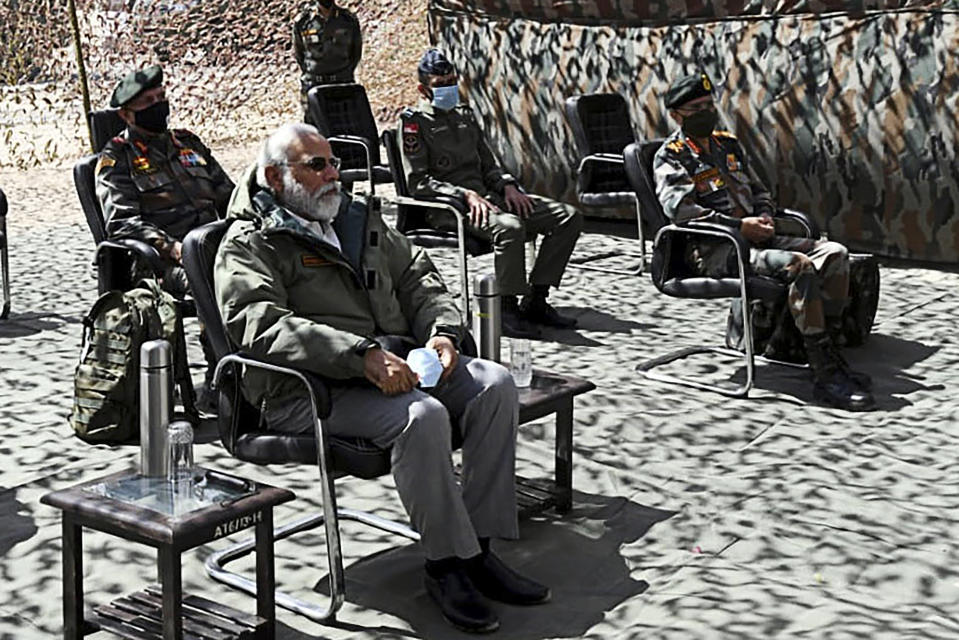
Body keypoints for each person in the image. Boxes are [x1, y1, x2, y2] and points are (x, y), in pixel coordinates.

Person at [214, 123, 550, 633]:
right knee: (422, 417)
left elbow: (417, 274)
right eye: (317, 166)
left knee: (494, 383)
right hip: (305, 391)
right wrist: (361, 356)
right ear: (275, 178)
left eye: (334, 163)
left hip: (395, 365)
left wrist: (444, 335)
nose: (334, 175)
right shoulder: (248, 241)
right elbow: (259, 325)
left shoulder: (353, 217)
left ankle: (477, 551)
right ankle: (445, 567)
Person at [652, 71, 875, 411]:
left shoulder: (727, 145)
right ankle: (824, 374)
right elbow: (681, 212)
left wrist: (765, 215)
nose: (706, 112)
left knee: (834, 253)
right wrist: (740, 226)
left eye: (709, 105)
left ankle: (819, 350)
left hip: (754, 239)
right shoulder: (672, 156)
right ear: (675, 115)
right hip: (716, 250)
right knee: (799, 266)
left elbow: (759, 190)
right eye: (695, 108)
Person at [400, 49, 583, 338]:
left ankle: (537, 299)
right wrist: (465, 195)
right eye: (440, 84)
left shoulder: (465, 115)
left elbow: (489, 164)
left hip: (489, 199)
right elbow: (418, 183)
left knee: (566, 217)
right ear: (424, 89)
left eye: (451, 81)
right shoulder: (414, 124)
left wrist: (507, 185)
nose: (448, 88)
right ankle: (506, 311)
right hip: (450, 209)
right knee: (510, 228)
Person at [96, 64, 234, 411]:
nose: (160, 105)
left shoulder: (188, 143)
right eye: (148, 102)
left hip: (215, 246)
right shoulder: (117, 159)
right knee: (215, 281)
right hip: (159, 264)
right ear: (127, 114)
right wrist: (171, 248)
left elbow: (228, 194)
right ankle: (225, 382)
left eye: (161, 97)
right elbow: (123, 223)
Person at [293, 0, 362, 121]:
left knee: (346, 128)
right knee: (314, 132)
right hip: (313, 85)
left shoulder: (348, 20)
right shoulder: (303, 22)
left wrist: (343, 72)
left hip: (342, 84)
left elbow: (355, 53)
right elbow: (299, 54)